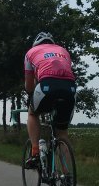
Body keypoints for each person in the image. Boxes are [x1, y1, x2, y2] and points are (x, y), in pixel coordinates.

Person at [24, 32, 76, 167]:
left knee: (32, 113)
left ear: (36, 43)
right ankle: (67, 175)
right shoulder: (63, 51)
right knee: (62, 132)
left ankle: (35, 152)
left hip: (47, 84)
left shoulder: (31, 52)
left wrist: (31, 95)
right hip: (70, 88)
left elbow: (29, 85)